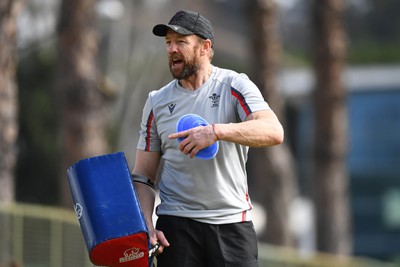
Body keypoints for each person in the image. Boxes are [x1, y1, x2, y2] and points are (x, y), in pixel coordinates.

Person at [131, 9, 284, 267]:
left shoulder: (235, 85)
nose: (171, 49)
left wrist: (216, 132)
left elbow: (273, 130)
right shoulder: (156, 102)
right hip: (176, 228)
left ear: (205, 47)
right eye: (168, 43)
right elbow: (144, 175)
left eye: (181, 42)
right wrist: (146, 226)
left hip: (232, 224)